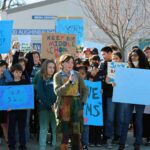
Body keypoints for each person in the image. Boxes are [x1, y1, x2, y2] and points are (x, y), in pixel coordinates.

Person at [53, 54, 88, 150]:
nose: (70, 64)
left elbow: (85, 90)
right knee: (63, 132)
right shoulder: (57, 76)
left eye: (72, 62)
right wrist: (68, 82)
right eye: (68, 62)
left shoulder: (76, 74)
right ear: (62, 63)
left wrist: (82, 102)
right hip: (63, 105)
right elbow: (57, 92)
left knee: (76, 132)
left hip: (76, 105)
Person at [118, 48, 150, 150]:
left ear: (140, 56)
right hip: (129, 97)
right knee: (125, 121)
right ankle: (121, 144)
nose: (133, 57)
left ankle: (137, 144)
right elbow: (122, 82)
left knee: (138, 120)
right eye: (132, 56)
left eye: (135, 55)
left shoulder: (146, 68)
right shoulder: (127, 67)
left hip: (140, 97)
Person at [34, 59, 57, 150]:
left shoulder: (56, 79)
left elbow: (59, 93)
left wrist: (55, 105)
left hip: (56, 108)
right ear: (45, 68)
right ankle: (42, 147)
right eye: (49, 67)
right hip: (44, 108)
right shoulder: (41, 79)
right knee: (44, 129)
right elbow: (41, 95)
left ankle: (55, 146)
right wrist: (50, 105)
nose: (52, 69)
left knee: (55, 129)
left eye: (53, 67)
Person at [7, 64, 29, 150]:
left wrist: (27, 104)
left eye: (20, 72)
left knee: (22, 128)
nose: (18, 74)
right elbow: (6, 97)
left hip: (22, 110)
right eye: (16, 72)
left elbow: (28, 94)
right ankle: (11, 145)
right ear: (12, 72)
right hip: (12, 110)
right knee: (11, 128)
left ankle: (22, 145)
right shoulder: (9, 84)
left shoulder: (25, 82)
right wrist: (7, 106)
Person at [0, 60, 13, 146]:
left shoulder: (6, 77)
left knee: (4, 123)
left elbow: (11, 81)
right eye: (1, 67)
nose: (3, 69)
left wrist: (6, 72)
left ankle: (8, 140)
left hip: (4, 104)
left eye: (5, 67)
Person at [76, 66, 89, 150]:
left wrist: (100, 92)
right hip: (77, 109)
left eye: (83, 74)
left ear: (86, 75)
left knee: (86, 126)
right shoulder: (73, 83)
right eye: (79, 74)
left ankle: (85, 143)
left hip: (87, 111)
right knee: (76, 126)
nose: (81, 76)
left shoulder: (89, 84)